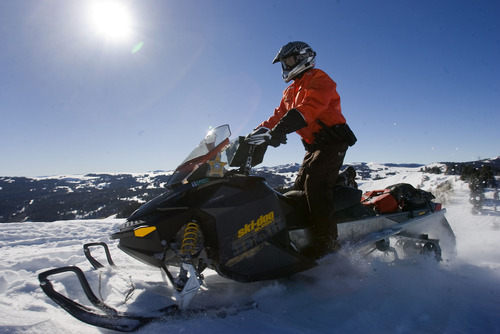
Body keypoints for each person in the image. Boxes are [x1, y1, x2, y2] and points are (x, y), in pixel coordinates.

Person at [247, 41, 356, 259]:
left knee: (315, 184)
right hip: (314, 146)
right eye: (284, 63)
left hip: (333, 142)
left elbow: (310, 107)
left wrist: (282, 129)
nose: (285, 66)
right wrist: (254, 135)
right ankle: (301, 234)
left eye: (288, 61)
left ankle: (327, 244)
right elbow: (277, 116)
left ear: (303, 57)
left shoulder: (320, 79)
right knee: (297, 190)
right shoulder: (290, 91)